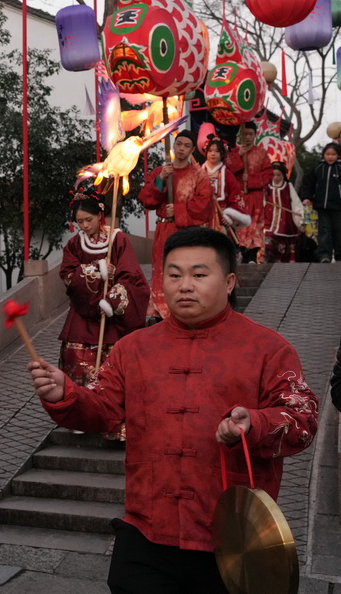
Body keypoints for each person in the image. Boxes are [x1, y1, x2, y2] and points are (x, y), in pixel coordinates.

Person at [27, 227, 318, 594]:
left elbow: (303, 419)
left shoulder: (268, 349)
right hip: (146, 531)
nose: (185, 286)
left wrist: (256, 423)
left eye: (199, 274)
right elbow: (101, 410)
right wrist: (64, 394)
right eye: (174, 275)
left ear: (229, 282)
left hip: (231, 539)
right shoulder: (133, 349)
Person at [58, 190, 149, 389]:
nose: (85, 226)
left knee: (117, 363)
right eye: (80, 222)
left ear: (100, 215)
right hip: (83, 313)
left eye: (88, 220)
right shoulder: (74, 244)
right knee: (77, 359)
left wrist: (112, 300)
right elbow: (68, 275)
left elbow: (131, 275)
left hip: (112, 314)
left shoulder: (118, 239)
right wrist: (97, 270)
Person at [138, 130, 214, 320]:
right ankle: (159, 312)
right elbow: (147, 199)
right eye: (178, 144)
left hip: (186, 233)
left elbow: (205, 205)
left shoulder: (199, 175)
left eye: (186, 145)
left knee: (184, 271)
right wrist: (161, 179)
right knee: (163, 270)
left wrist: (179, 210)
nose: (181, 148)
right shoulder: (160, 171)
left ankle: (184, 312)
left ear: (191, 150)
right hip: (163, 231)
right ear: (173, 145)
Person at [226, 121, 273, 263]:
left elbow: (268, 175)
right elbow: (227, 171)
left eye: (250, 134)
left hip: (255, 196)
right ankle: (239, 252)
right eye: (245, 134)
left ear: (255, 135)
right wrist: (238, 156)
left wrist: (251, 179)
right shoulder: (233, 152)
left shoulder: (262, 153)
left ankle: (252, 256)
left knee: (255, 227)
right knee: (238, 225)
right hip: (238, 196)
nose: (247, 137)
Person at [200, 136, 249, 242]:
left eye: (217, 151)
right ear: (206, 152)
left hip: (221, 220)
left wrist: (229, 216)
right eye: (210, 150)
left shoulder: (227, 174)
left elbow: (235, 197)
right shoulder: (198, 172)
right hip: (201, 219)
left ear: (222, 154)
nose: (213, 154)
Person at [299, 142, 341, 263]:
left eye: (333, 154)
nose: (330, 157)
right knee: (324, 230)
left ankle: (339, 256)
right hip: (321, 206)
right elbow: (308, 184)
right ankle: (324, 255)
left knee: (339, 232)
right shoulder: (317, 168)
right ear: (323, 155)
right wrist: (306, 197)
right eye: (328, 154)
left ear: (338, 155)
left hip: (338, 206)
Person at [263, 161, 303, 263]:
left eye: (278, 175)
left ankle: (279, 262)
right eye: (273, 175)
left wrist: (300, 215)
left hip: (285, 219)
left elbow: (296, 202)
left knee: (282, 241)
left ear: (283, 175)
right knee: (267, 236)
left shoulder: (288, 186)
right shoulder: (266, 186)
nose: (275, 177)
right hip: (269, 218)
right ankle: (266, 261)